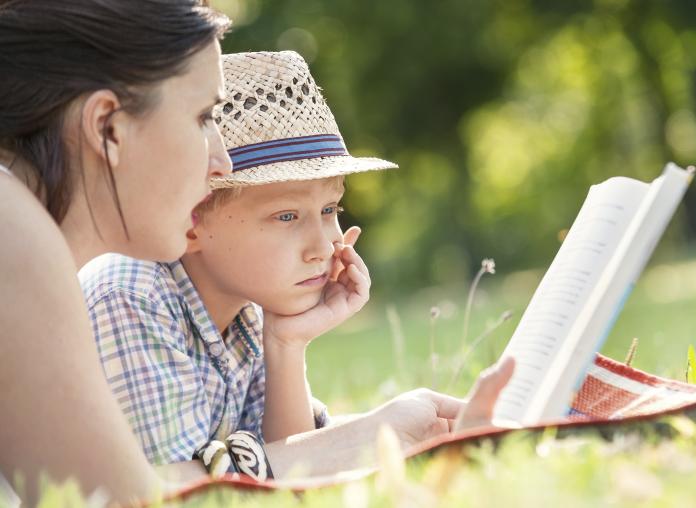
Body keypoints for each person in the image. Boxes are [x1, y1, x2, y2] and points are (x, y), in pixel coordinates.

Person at [0, 1, 513, 504]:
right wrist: (363, 439)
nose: (222, 160)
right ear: (108, 127)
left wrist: (370, 429)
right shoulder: (19, 231)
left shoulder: (23, 232)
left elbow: (90, 492)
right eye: (203, 117)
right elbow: (124, 501)